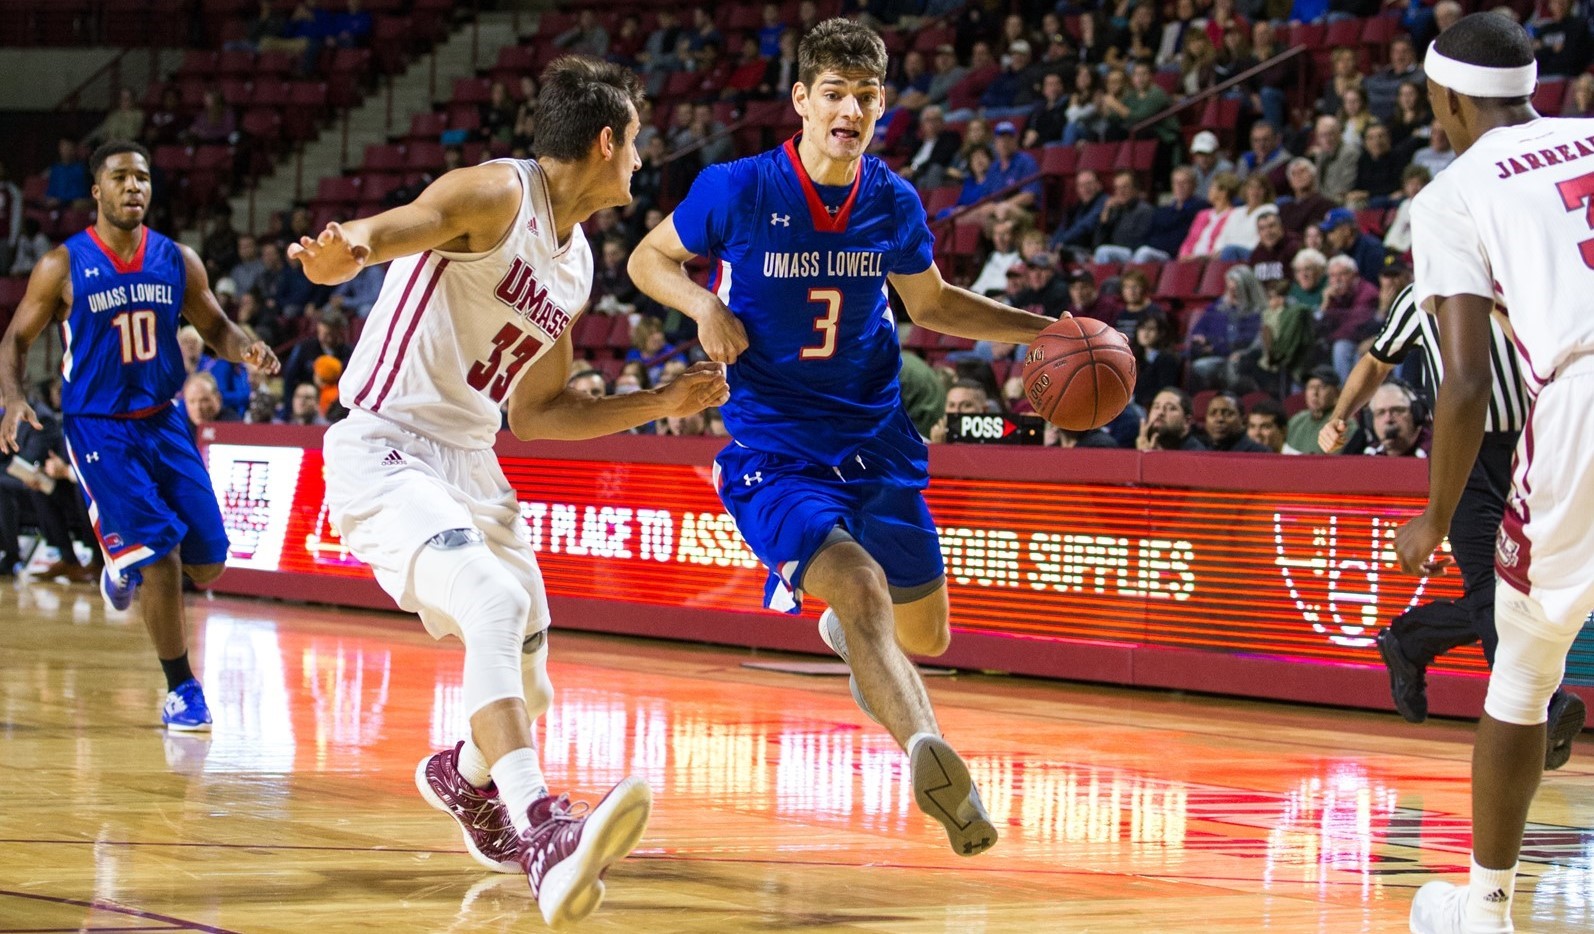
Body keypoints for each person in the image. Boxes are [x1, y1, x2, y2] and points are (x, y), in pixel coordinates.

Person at [286, 58, 722, 925]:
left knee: (532, 678)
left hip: (474, 464)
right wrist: (350, 250)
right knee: (486, 602)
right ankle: (541, 831)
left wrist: (660, 403)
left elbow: (541, 413)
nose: (640, 159)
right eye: (635, 142)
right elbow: (405, 224)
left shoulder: (576, 262)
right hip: (386, 446)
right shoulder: (495, 194)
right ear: (606, 142)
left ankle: (463, 775)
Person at [628, 19, 1058, 859]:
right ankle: (937, 763)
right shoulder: (738, 188)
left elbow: (932, 306)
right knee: (858, 587)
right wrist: (704, 306)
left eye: (866, 95)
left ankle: (851, 640)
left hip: (877, 440)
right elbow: (649, 259)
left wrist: (1042, 329)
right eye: (833, 92)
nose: (849, 108)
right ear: (801, 101)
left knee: (924, 635)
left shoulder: (892, 201)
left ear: (882, 106)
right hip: (775, 451)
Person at [1392, 15, 1594, 931]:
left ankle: (1487, 907)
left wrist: (1435, 520)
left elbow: (1466, 378)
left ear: (1443, 100)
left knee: (1522, 667)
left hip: (1583, 396)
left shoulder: (1451, 194)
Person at [0, 141, 280, 731]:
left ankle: (116, 560)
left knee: (208, 564)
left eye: (143, 178)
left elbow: (216, 326)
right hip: (98, 426)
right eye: (121, 177)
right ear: (96, 191)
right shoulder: (63, 263)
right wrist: (15, 397)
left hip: (163, 418)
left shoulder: (178, 259)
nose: (134, 187)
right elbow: (16, 339)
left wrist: (245, 349)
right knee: (161, 555)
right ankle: (182, 689)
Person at [1321, 283, 1583, 768]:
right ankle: (1541, 707)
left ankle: (1411, 639)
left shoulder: (1520, 277)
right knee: (1491, 583)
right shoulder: (1417, 296)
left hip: (1535, 443)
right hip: (1466, 451)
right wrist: (1340, 414)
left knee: (1529, 585)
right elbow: (1378, 360)